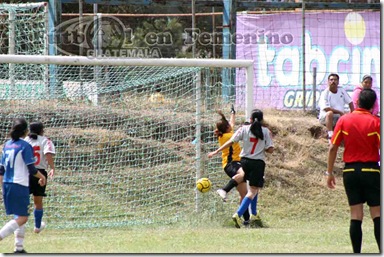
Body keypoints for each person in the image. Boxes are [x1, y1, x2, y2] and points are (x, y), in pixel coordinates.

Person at [326, 89, 380, 253]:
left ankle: (357, 253)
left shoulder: (344, 120)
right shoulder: (376, 122)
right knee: (377, 214)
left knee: (356, 214)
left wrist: (329, 172)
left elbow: (333, 148)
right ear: (373, 105)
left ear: (356, 103)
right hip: (371, 171)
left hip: (350, 171)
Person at [208, 109, 274, 228]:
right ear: (262, 120)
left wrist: (216, 151)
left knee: (249, 190)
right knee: (252, 191)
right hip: (256, 163)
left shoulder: (243, 129)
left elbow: (231, 140)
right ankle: (238, 214)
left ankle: (251, 216)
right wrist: (263, 146)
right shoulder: (265, 131)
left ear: (250, 119)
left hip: (244, 161)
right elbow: (270, 150)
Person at [0, 118, 46, 253]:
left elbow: (1, 170)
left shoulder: (7, 145)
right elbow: (32, 169)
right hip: (19, 184)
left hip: (7, 184)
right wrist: (42, 176)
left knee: (19, 215)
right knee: (23, 218)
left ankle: (19, 248)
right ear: (25, 131)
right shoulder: (25, 146)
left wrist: (2, 186)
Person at [211, 106, 250, 225]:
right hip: (231, 164)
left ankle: (246, 221)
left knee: (244, 194)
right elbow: (238, 130)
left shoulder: (227, 133)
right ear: (227, 128)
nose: (230, 125)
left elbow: (232, 124)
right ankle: (223, 190)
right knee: (243, 174)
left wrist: (233, 113)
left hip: (235, 163)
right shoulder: (228, 136)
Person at [24, 121, 56, 234]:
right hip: (40, 173)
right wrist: (52, 167)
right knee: (38, 201)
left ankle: (18, 226)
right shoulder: (45, 140)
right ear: (41, 130)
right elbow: (48, 154)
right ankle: (37, 227)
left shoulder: (25, 141)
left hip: (25, 172)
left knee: (22, 200)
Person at [318, 73, 354, 143]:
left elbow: (350, 102)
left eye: (335, 80)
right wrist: (340, 112)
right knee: (329, 113)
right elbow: (326, 109)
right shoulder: (325, 93)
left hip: (339, 118)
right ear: (328, 82)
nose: (333, 81)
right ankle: (330, 135)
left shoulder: (341, 90)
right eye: (331, 80)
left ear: (338, 81)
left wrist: (352, 113)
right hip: (326, 118)